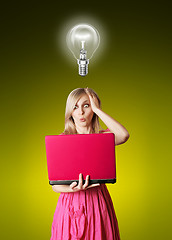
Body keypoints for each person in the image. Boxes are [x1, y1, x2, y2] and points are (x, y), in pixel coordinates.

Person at [50, 87, 130, 240]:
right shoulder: (62, 140)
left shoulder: (102, 139)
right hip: (70, 203)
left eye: (86, 106)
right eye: (75, 107)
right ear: (70, 112)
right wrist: (73, 189)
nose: (80, 112)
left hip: (98, 202)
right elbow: (55, 185)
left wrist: (97, 109)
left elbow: (123, 135)